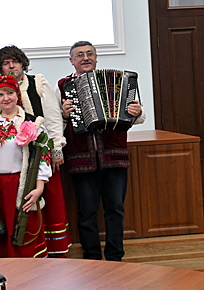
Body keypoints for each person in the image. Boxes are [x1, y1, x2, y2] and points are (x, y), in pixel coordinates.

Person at [56, 41, 144, 262]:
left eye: (89, 54)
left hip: (114, 157)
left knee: (115, 209)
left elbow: (138, 117)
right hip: (81, 159)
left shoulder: (121, 82)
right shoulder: (63, 86)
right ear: (71, 61)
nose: (85, 58)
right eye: (79, 55)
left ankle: (115, 258)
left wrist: (136, 111)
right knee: (86, 212)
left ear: (96, 58)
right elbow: (55, 123)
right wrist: (64, 115)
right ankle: (92, 258)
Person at [0, 45, 71, 256]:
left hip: (40, 155)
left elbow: (53, 117)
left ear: (22, 64)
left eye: (15, 62)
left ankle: (52, 249)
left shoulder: (38, 83)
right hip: (16, 158)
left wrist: (56, 148)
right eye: (6, 63)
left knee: (47, 201)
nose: (11, 66)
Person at [0, 75, 52, 258]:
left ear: (17, 94)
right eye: (0, 94)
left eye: (10, 93)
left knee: (22, 229)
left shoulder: (32, 122)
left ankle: (27, 270)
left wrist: (39, 187)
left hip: (21, 185)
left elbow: (43, 156)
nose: (6, 98)